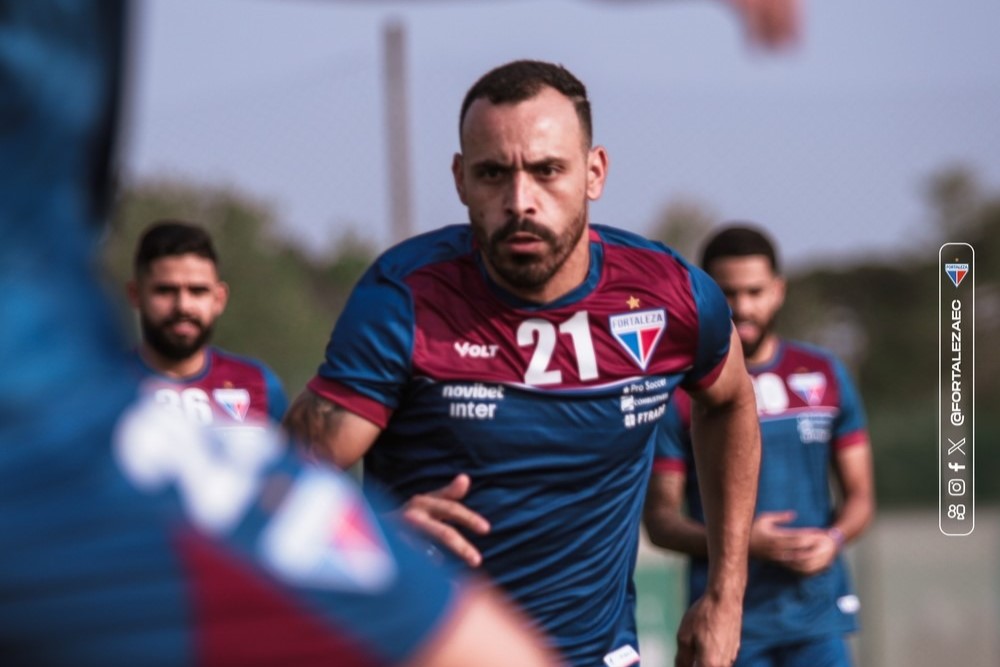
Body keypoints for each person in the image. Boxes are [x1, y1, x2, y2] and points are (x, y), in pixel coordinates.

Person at [0, 3, 561, 665]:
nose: (521, 198)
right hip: (39, 425)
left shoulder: (250, 384)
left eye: (196, 289)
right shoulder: (399, 298)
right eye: (167, 288)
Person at [284, 59, 761, 667]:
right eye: (492, 174)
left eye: (547, 171)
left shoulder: (671, 297)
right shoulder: (404, 301)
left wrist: (726, 594)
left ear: (594, 173)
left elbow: (731, 402)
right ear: (460, 180)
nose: (519, 200)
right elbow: (276, 482)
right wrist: (368, 534)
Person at [643, 224, 876, 667]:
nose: (742, 306)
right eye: (728, 292)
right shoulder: (680, 394)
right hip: (729, 628)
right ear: (706, 296)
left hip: (817, 619)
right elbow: (660, 521)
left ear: (778, 290)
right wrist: (743, 542)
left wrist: (834, 537)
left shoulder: (825, 374)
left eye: (754, 291)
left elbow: (861, 498)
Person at [127, 220, 288, 431]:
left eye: (197, 291)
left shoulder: (260, 385)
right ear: (135, 295)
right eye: (165, 291)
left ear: (219, 299)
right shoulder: (97, 386)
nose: (183, 306)